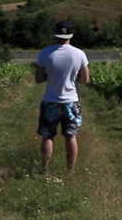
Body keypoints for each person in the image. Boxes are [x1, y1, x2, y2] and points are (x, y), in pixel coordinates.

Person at [35, 20, 90, 177]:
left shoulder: (45, 53)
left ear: (55, 34)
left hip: (50, 100)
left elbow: (38, 79)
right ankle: (70, 171)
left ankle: (44, 170)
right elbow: (85, 80)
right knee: (71, 136)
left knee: (48, 136)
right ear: (71, 34)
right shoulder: (79, 54)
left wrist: (50, 74)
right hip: (70, 101)